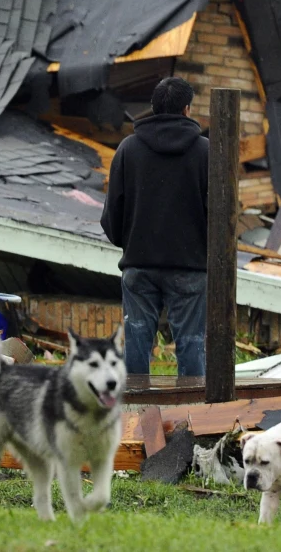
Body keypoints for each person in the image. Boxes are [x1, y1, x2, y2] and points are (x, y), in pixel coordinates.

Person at [101, 77, 209, 378]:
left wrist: (131, 244)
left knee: (136, 345)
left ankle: (136, 405)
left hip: (139, 265)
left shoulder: (128, 149)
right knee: (191, 344)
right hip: (190, 267)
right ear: (187, 109)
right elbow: (220, 213)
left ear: (153, 107)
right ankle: (193, 405)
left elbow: (112, 212)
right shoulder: (206, 152)